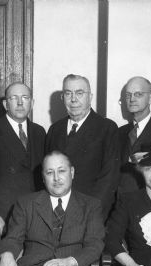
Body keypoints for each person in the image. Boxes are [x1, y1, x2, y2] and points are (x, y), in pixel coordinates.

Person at [0, 82, 46, 235]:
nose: (20, 103)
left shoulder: (39, 132)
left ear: (31, 103)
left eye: (25, 98)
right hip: (5, 213)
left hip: (36, 211)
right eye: (14, 98)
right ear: (6, 104)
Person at [45, 74, 119, 220]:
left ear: (90, 97)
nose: (73, 99)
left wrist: (90, 214)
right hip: (56, 214)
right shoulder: (55, 129)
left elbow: (109, 178)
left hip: (90, 214)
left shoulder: (107, 128)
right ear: (62, 98)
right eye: (68, 93)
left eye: (79, 93)